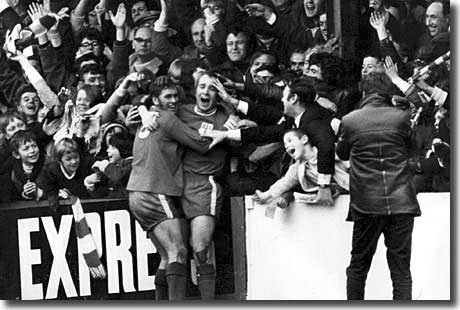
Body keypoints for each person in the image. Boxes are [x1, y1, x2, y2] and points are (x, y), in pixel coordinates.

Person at [336, 72, 421, 300]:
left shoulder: (350, 120)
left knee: (358, 266)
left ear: (364, 92)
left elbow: (341, 152)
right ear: (387, 93)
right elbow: (412, 150)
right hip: (402, 202)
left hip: (366, 203)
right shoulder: (401, 117)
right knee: (401, 271)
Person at [126, 80, 211, 300]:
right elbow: (201, 143)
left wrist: (143, 108)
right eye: (168, 97)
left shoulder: (145, 117)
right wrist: (227, 130)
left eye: (175, 96)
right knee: (179, 252)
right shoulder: (165, 118)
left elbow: (137, 99)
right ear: (156, 100)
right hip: (154, 190)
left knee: (166, 255)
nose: (173, 101)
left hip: (136, 193)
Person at [253, 128, 349, 206]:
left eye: (290, 140)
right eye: (285, 145)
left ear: (304, 139)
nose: (287, 146)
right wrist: (265, 195)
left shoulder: (329, 150)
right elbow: (284, 183)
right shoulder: (298, 168)